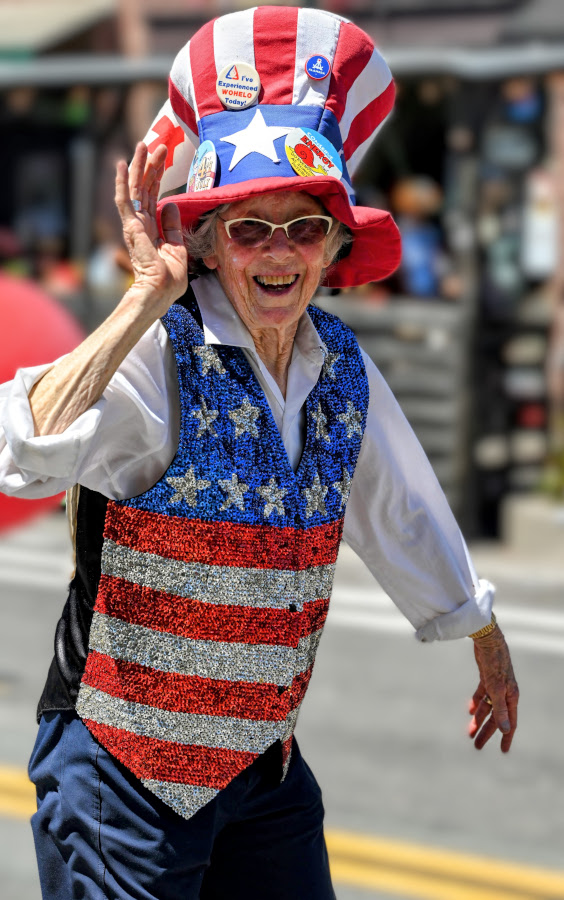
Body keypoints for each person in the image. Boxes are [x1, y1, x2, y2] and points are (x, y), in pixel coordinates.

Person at [0, 8, 518, 899]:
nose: (279, 251)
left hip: (261, 773)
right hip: (125, 773)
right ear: (206, 241)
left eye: (304, 227)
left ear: (334, 247)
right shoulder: (162, 350)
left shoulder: (342, 366)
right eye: (249, 228)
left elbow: (400, 502)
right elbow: (20, 449)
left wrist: (483, 634)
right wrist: (139, 303)